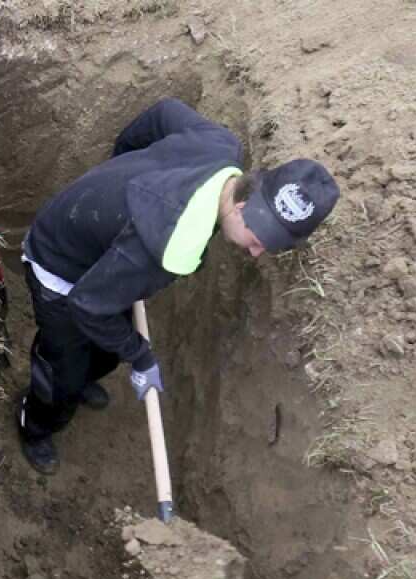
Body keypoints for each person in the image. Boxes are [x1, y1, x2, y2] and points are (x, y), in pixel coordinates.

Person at [17, 98, 339, 475]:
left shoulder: (220, 146)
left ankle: (85, 376)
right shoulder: (168, 246)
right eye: (258, 236)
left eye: (272, 243)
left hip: (105, 254)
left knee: (105, 353)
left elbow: (163, 112)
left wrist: (122, 162)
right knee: (62, 375)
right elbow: (87, 305)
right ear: (243, 204)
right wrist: (142, 356)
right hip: (59, 265)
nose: (257, 252)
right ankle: (36, 427)